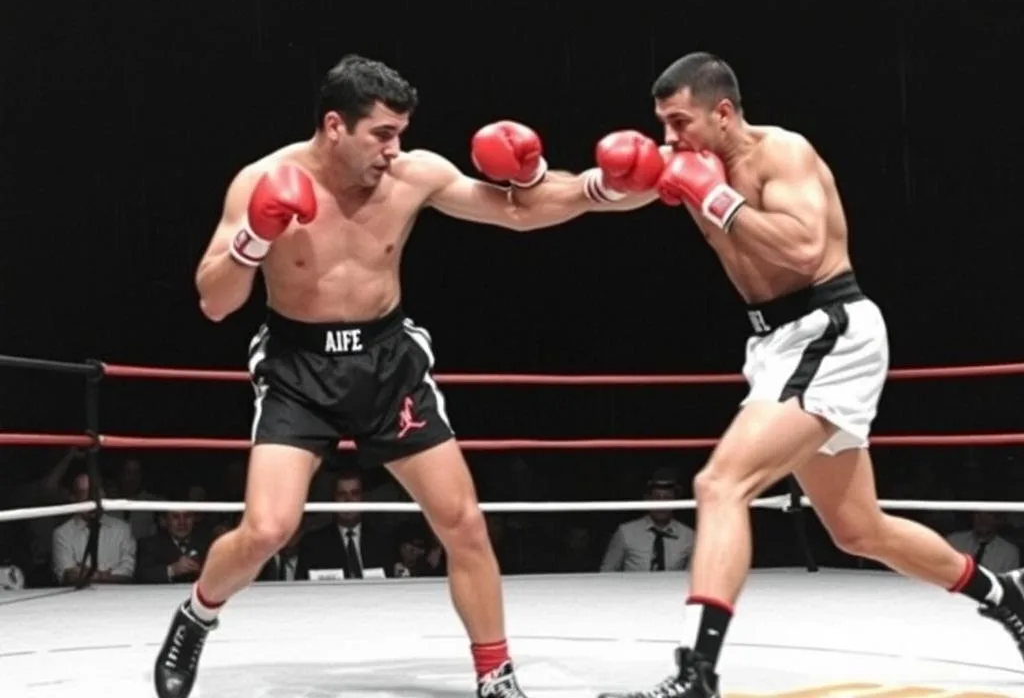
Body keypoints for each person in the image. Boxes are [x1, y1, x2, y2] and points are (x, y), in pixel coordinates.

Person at [497, 52, 1024, 697]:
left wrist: (715, 200)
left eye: (679, 122)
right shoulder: (683, 164)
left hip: (830, 329)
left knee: (720, 483)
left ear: (723, 111)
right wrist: (525, 179)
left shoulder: (784, 155)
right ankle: (1006, 594)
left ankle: (697, 675)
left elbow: (804, 249)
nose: (669, 139)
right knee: (858, 528)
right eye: (662, 124)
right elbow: (578, 198)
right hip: (777, 344)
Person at [152, 53, 652, 698]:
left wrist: (602, 189)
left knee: (462, 521)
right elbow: (215, 301)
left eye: (401, 133)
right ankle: (197, 615)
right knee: (267, 530)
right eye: (382, 134)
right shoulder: (263, 179)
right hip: (298, 366)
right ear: (335, 125)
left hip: (388, 362)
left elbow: (518, 210)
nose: (395, 149)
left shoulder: (414, 175)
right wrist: (255, 235)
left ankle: (495, 677)